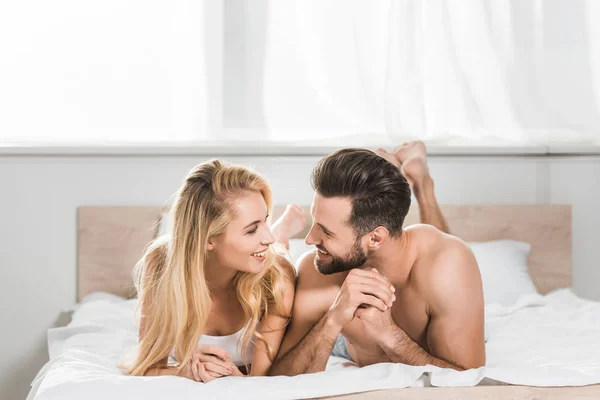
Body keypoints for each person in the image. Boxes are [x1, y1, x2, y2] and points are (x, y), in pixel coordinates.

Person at [270, 141, 485, 375]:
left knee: (438, 253)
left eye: (326, 231)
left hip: (434, 278)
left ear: (375, 239)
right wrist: (333, 319)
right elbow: (280, 380)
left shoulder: (447, 265)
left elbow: (466, 379)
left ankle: (423, 185)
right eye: (314, 222)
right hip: (350, 346)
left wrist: (389, 335)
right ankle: (390, 171)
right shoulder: (317, 270)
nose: (309, 240)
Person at [123, 160, 305, 382]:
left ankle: (283, 229)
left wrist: (234, 376)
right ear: (208, 238)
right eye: (251, 230)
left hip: (269, 265)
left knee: (277, 250)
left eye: (265, 221)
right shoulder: (161, 263)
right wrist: (185, 370)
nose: (268, 237)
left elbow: (262, 380)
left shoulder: (278, 277)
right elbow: (146, 366)